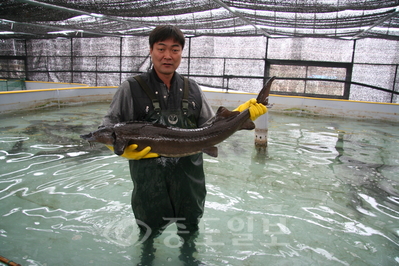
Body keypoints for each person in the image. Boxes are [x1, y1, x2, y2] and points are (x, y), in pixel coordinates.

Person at [101, 25, 267, 264]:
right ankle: (147, 258)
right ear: (151, 51)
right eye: (161, 49)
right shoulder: (131, 88)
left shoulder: (193, 89)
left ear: (181, 53)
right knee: (147, 229)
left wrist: (240, 115)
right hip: (149, 179)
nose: (167, 55)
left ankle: (189, 257)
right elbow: (109, 124)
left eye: (175, 49)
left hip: (189, 178)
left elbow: (210, 126)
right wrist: (117, 148)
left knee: (190, 229)